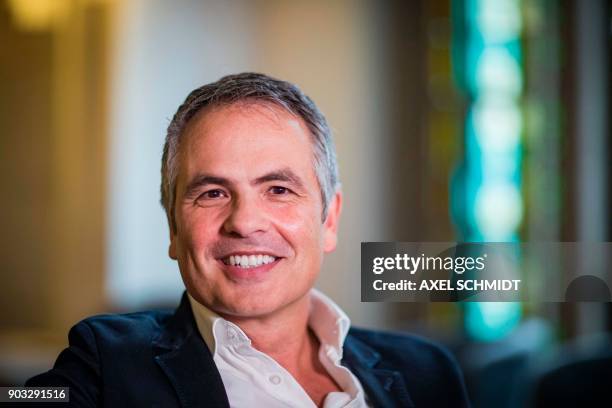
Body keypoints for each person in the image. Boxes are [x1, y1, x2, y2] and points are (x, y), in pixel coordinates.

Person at [27, 73, 470, 407]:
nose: (244, 222)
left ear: (329, 219)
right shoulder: (106, 365)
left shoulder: (427, 373)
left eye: (278, 190)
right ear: (174, 230)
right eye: (213, 193)